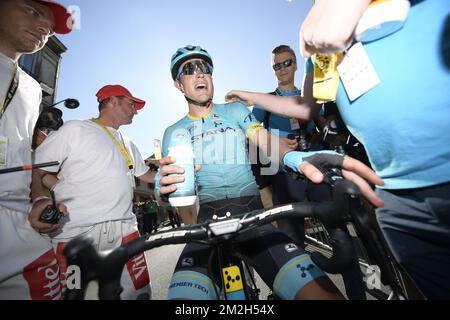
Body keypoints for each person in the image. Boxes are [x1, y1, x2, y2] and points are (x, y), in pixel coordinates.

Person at [227, 0, 450, 299]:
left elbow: (317, 119)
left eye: (285, 63)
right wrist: (250, 97)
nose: (281, 69)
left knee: (341, 236)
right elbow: (304, 108)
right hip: (395, 197)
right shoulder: (320, 54)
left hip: (438, 180)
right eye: (276, 65)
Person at [157, 45, 382, 300]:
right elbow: (171, 189)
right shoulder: (173, 132)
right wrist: (161, 191)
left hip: (253, 216)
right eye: (189, 70)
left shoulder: (235, 110)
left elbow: (263, 140)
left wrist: (292, 157)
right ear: (178, 84)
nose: (200, 74)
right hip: (206, 221)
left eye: (205, 68)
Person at [31, 84, 154, 300]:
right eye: (131, 104)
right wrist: (41, 198)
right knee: (76, 295)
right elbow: (37, 169)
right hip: (75, 234)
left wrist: (176, 171)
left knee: (139, 295)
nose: (135, 110)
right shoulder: (74, 129)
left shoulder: (130, 143)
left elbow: (147, 177)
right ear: (112, 101)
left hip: (126, 230)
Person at [0, 0, 72, 300]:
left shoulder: (31, 88)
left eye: (50, 27)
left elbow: (27, 153)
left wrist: (39, 199)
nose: (44, 28)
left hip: (16, 221)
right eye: (33, 11)